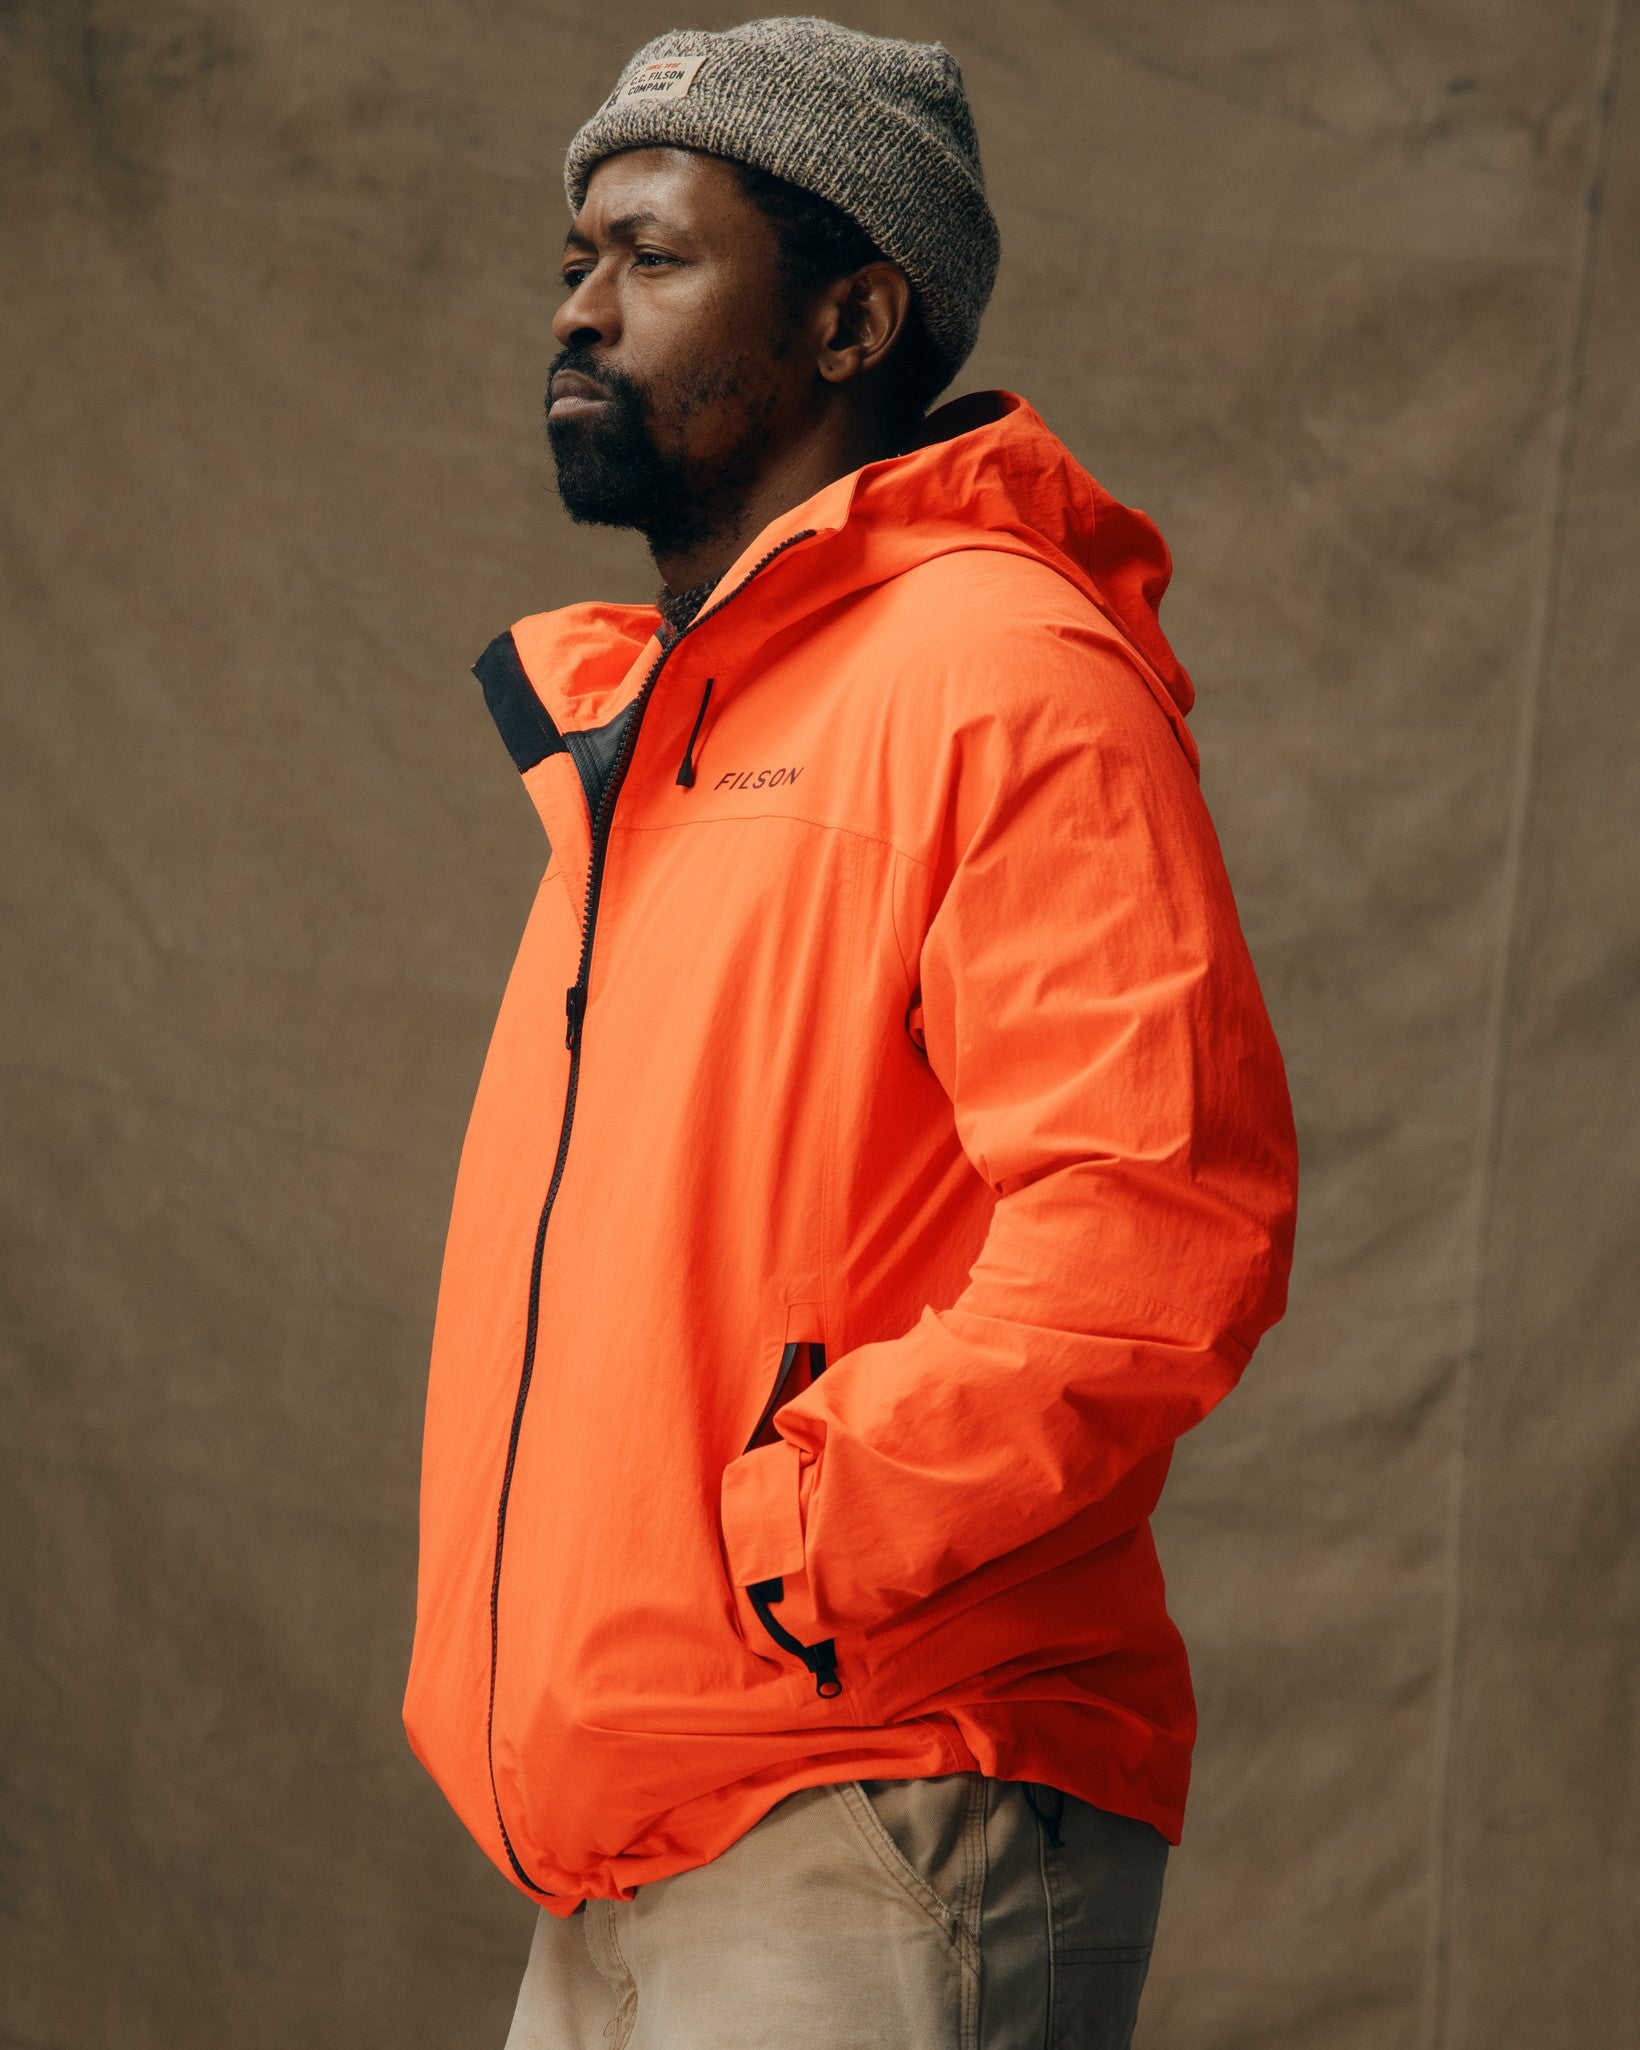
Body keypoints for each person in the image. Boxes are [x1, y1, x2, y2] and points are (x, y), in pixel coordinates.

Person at [403, 18, 1298, 2049]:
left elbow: (1158, 1222)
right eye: (574, 258)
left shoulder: (1000, 669)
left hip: (880, 1796)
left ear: (850, 319)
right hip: (638, 1826)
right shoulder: (665, 729)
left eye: (653, 256)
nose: (579, 309)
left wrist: (786, 1555)